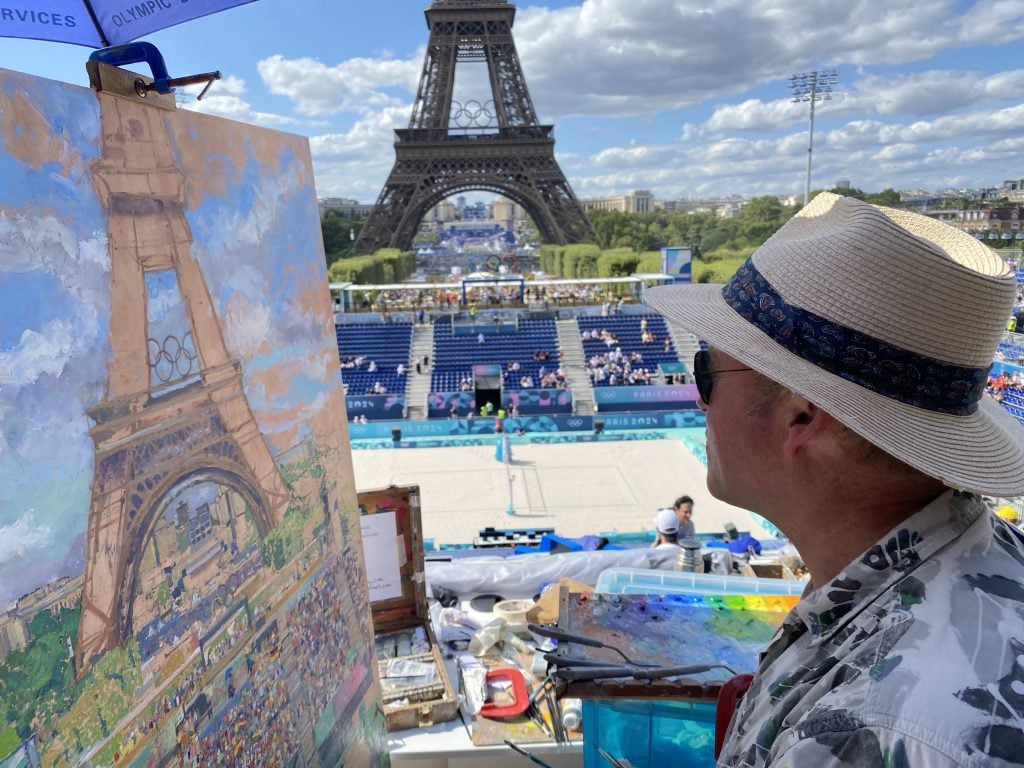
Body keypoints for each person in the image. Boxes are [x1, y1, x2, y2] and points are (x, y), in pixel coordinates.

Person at [647, 193, 1024, 767]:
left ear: (799, 417)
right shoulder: (985, 562)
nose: (702, 403)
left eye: (708, 371)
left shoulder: (863, 729)